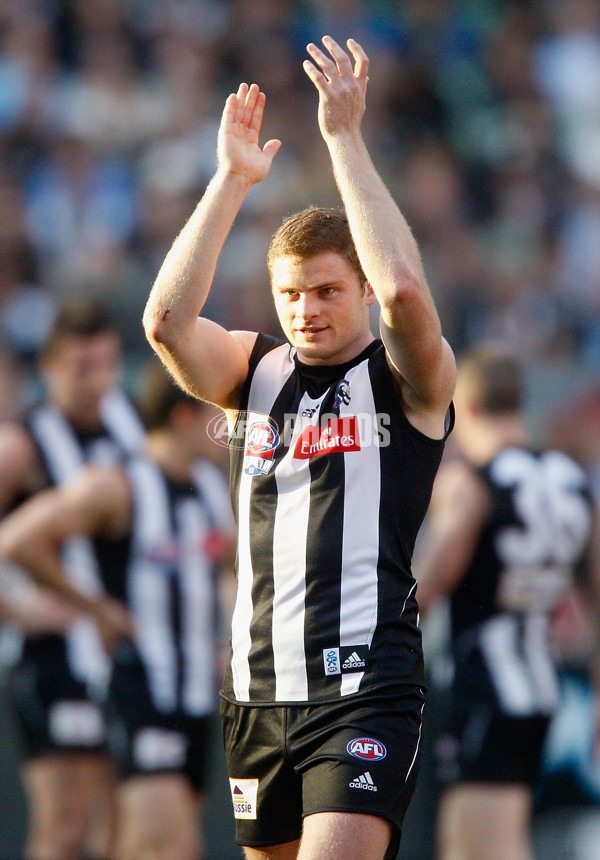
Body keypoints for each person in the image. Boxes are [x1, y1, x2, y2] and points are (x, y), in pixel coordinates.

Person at [142, 34, 456, 860]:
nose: (306, 309)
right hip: (255, 691)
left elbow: (405, 290)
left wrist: (344, 138)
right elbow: (168, 325)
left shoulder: (405, 380)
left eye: (326, 291)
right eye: (291, 293)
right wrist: (230, 181)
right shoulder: (256, 371)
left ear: (355, 291)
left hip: (364, 688)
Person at [0, 362, 235, 860]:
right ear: (183, 417)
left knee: (126, 843)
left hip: (195, 697)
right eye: (217, 415)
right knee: (171, 845)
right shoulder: (119, 485)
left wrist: (230, 639)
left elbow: (228, 570)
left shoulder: (214, 488)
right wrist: (94, 607)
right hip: (137, 686)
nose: (228, 430)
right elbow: (18, 539)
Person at [413, 344, 595, 860]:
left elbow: (425, 589)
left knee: (482, 849)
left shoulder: (472, 484)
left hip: (483, 691)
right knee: (469, 843)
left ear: (465, 407)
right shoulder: (572, 483)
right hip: (540, 688)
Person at [0, 298, 145, 860]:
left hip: (127, 652)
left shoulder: (135, 428)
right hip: (54, 656)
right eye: (81, 368)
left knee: (120, 829)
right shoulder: (22, 445)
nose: (97, 382)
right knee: (64, 825)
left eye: (107, 365)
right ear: (50, 368)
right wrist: (16, 609)